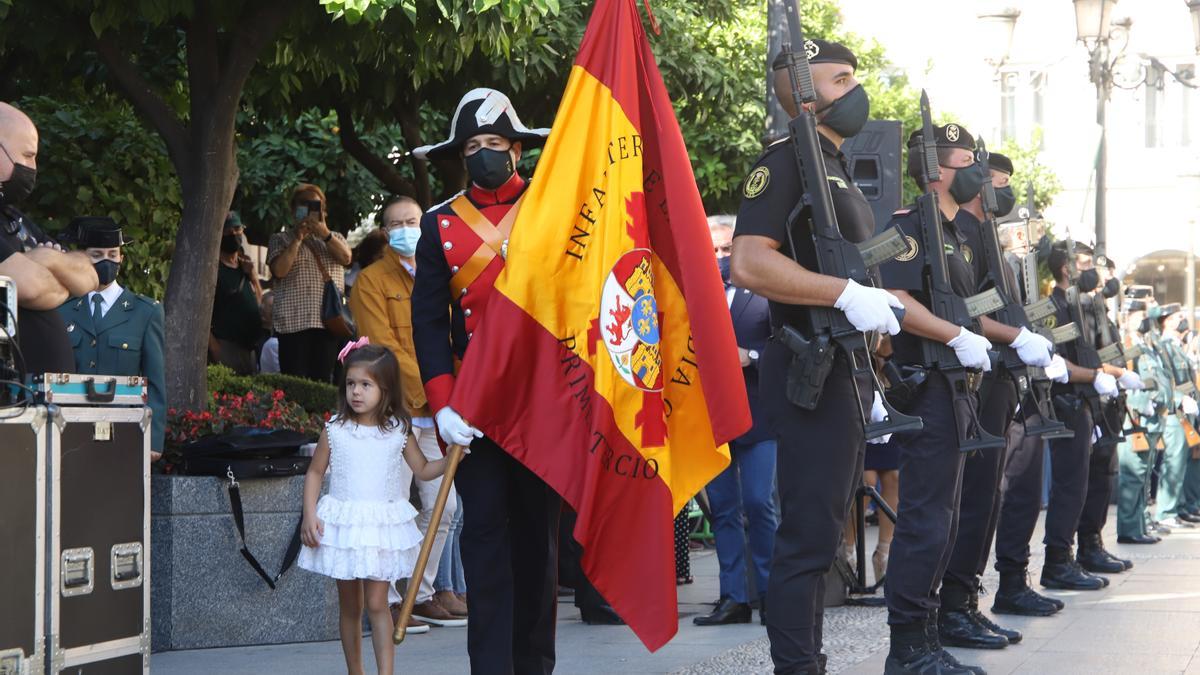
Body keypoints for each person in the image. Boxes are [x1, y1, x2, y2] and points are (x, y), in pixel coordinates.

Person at [732, 42, 907, 675]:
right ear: (804, 93)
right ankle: (796, 666)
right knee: (807, 537)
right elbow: (749, 261)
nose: (855, 89)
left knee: (828, 527)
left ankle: (809, 659)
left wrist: (878, 314)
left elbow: (852, 270)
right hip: (811, 365)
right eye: (841, 79)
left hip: (847, 367)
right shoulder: (785, 164)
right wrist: (843, 294)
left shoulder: (833, 165)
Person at [878, 122, 1053, 674]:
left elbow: (977, 306)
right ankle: (907, 646)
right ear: (934, 168)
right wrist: (955, 335)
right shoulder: (905, 226)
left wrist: (1007, 335)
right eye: (964, 159)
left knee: (949, 515)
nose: (975, 169)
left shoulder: (965, 235)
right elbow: (896, 297)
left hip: (962, 387)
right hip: (926, 381)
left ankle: (934, 628)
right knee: (926, 516)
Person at [410, 88, 559, 675]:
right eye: (472, 146)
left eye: (494, 144)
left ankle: (534, 667)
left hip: (544, 402)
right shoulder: (438, 222)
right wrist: (444, 404)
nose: (484, 154)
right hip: (473, 409)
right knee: (485, 541)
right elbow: (428, 322)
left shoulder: (556, 209)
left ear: (517, 150)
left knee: (537, 545)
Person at [936, 151, 1056, 650]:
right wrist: (1015, 336)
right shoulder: (962, 233)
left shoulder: (990, 238)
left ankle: (969, 601)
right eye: (992, 180)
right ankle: (953, 608)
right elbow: (965, 309)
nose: (1000, 191)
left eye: (1005, 182)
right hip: (981, 378)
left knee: (991, 498)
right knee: (975, 497)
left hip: (1007, 376)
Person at [298, 341, 454, 675]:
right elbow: (314, 472)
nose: (356, 392)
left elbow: (424, 470)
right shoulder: (335, 429)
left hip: (380, 527)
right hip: (345, 525)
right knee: (351, 606)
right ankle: (356, 670)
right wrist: (309, 514)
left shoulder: (397, 431)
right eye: (351, 383)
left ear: (385, 389)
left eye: (366, 385)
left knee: (377, 603)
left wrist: (451, 458)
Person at [347, 195, 465, 628]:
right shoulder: (371, 281)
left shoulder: (442, 274)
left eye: (412, 221)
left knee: (445, 507)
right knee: (392, 507)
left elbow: (452, 339)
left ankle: (421, 590)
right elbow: (382, 350)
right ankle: (392, 599)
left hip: (437, 412)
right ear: (383, 231)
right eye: (395, 223)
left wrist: (449, 392)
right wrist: (438, 388)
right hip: (395, 412)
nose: (404, 229)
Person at [694, 217, 777, 627]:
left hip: (759, 416)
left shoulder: (764, 291)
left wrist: (754, 357)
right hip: (712, 420)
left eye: (726, 250)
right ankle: (734, 598)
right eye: (712, 250)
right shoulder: (691, 296)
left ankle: (771, 594)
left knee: (760, 503)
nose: (719, 258)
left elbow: (786, 349)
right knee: (723, 509)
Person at [0, 102, 98, 375]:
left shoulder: (14, 218)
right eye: (28, 155)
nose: (33, 167)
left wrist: (45, 258)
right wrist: (59, 271)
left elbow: (89, 276)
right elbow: (32, 288)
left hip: (38, 406)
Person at [58, 217, 165, 460]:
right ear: (83, 258)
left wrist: (154, 440)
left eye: (112, 254)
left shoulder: (145, 312)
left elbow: (155, 381)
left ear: (121, 259)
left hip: (125, 430)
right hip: (72, 430)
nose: (106, 261)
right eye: (97, 254)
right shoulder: (63, 311)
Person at [267, 183, 352, 383]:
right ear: (293, 210)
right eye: (303, 205)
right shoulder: (280, 239)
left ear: (323, 211)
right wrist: (297, 239)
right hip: (291, 325)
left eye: (316, 205)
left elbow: (346, 258)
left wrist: (325, 234)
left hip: (328, 323)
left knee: (323, 382)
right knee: (294, 383)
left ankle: (321, 416)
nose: (310, 210)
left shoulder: (335, 238)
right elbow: (279, 270)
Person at [1116, 303, 1169, 544]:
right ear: (1128, 317)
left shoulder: (1146, 346)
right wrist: (1140, 403)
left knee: (1144, 474)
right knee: (1133, 474)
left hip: (1151, 418)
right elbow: (1125, 380)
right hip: (1135, 417)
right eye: (1140, 315)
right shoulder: (1128, 344)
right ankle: (1129, 529)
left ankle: (1139, 525)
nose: (1145, 320)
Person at [1152, 303, 1200, 529]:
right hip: (1175, 411)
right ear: (1168, 321)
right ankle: (1165, 511)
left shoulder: (1176, 346)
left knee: (1181, 462)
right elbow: (1167, 380)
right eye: (1178, 316)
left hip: (1185, 411)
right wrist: (1180, 397)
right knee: (1173, 462)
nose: (1183, 320)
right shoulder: (1164, 346)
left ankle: (1178, 507)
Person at [209, 211, 262, 374]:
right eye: (227, 231)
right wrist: (215, 348)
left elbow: (258, 303)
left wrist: (253, 277)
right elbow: (200, 313)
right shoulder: (212, 269)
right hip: (225, 347)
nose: (233, 233)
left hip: (249, 350)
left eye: (237, 228)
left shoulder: (244, 267)